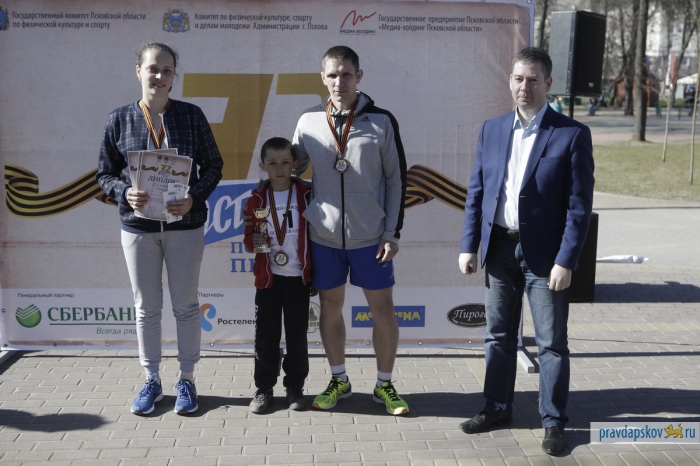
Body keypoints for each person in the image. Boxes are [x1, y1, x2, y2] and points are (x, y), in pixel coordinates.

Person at [458, 47, 594, 455]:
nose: (524, 87)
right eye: (518, 79)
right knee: (498, 336)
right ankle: (497, 408)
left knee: (551, 343)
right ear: (510, 81)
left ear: (548, 83)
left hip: (546, 258)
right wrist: (469, 245)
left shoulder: (571, 134)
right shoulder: (492, 129)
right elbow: (477, 192)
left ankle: (553, 422)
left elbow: (578, 207)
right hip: (499, 248)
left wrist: (566, 261)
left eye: (533, 80)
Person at [96, 42, 223, 416]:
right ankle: (151, 379)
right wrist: (124, 191)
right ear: (139, 71)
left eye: (167, 70)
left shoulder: (191, 115)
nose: (160, 76)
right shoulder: (119, 119)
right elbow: (104, 173)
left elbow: (214, 166)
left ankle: (187, 379)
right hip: (138, 227)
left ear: (174, 76)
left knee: (186, 306)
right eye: (153, 68)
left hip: (185, 226)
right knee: (146, 308)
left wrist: (193, 197)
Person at [292, 46, 409, 415]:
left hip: (370, 237)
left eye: (346, 74)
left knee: (383, 310)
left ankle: (384, 384)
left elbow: (396, 181)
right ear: (322, 78)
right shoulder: (308, 121)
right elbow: (291, 172)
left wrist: (391, 233)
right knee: (330, 308)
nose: (339, 81)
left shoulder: (381, 121)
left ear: (359, 76)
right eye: (332, 75)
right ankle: (339, 379)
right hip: (324, 237)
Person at [243, 137, 314, 414]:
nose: (280, 168)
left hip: (298, 278)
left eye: (285, 162)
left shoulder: (307, 195)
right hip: (268, 279)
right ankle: (264, 387)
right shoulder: (256, 200)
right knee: (265, 337)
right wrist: (256, 242)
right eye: (272, 163)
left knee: (297, 337)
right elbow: (250, 240)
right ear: (263, 166)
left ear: (295, 164)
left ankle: (295, 387)